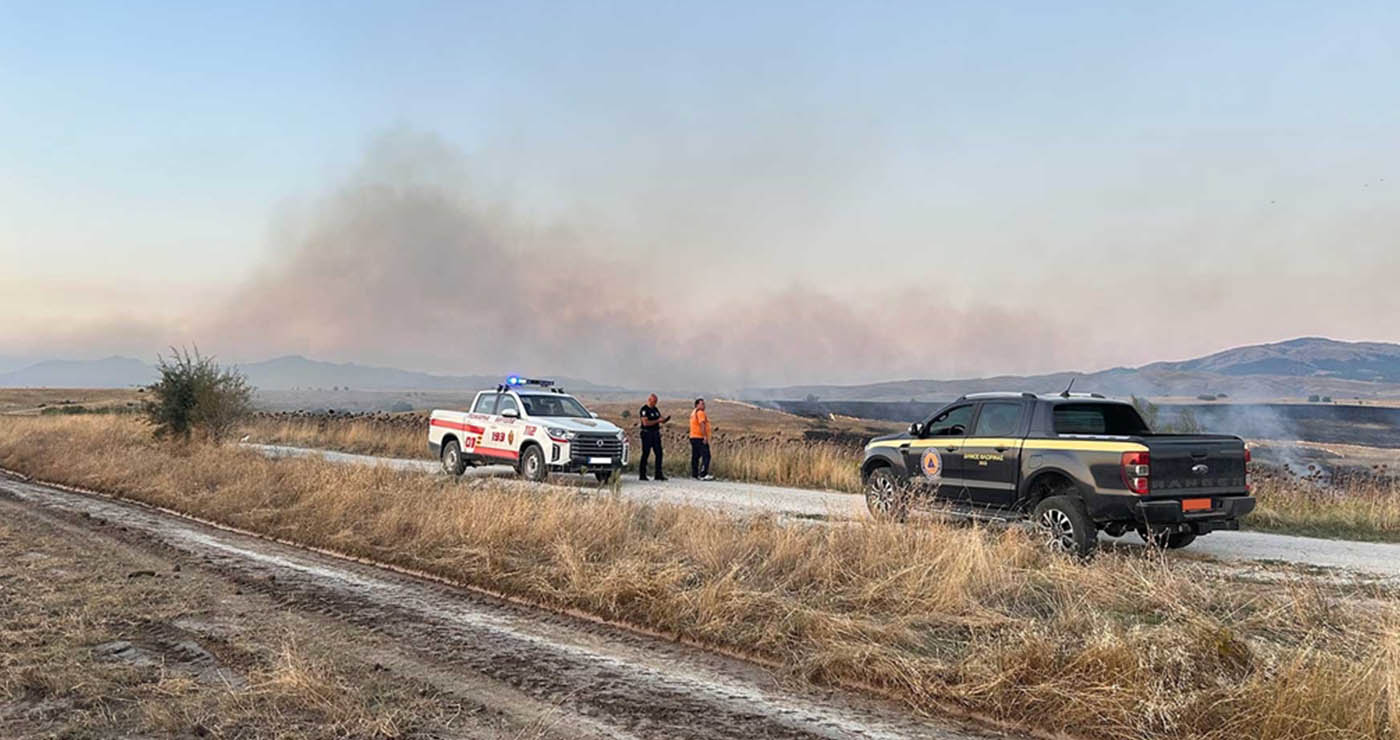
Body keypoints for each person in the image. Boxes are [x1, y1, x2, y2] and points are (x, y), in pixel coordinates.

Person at [637, 393, 669, 481]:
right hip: (647, 434)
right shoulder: (644, 410)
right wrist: (657, 421)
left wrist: (663, 420)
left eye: (656, 402)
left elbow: (659, 418)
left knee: (659, 453)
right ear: (649, 400)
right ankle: (642, 474)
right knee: (646, 453)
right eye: (654, 401)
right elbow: (645, 423)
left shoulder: (655, 409)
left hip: (655, 433)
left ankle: (658, 474)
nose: (655, 403)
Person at [689, 398, 713, 480]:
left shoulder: (693, 413)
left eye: (704, 404)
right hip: (699, 437)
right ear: (697, 405)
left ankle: (694, 474)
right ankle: (703, 474)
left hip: (693, 436)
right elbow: (702, 424)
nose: (704, 405)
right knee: (706, 455)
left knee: (695, 456)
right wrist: (705, 436)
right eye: (702, 404)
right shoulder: (700, 413)